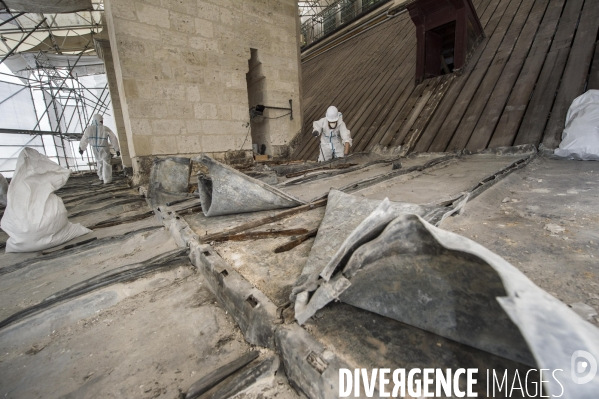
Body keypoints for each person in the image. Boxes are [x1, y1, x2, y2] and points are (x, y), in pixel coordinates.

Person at [79, 114, 120, 184]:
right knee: (106, 163)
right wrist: (117, 149)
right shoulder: (105, 128)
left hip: (95, 149)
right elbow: (113, 138)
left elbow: (84, 139)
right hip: (104, 148)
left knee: (99, 163)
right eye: (101, 121)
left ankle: (101, 177)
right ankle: (107, 180)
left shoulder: (89, 129)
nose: (102, 122)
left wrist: (81, 148)